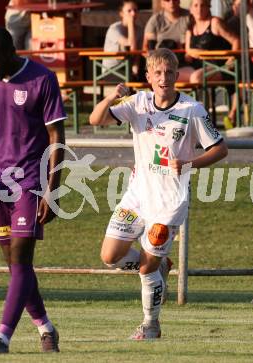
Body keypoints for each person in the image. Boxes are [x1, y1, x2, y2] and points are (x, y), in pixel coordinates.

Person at [89, 48, 228, 339]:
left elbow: (220, 149)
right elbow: (95, 119)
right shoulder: (137, 103)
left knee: (145, 269)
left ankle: (150, 325)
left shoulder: (192, 110)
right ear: (149, 77)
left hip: (170, 203)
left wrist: (189, 163)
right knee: (109, 256)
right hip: (138, 195)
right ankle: (161, 264)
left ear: (177, 76)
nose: (164, 78)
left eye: (169, 73)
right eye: (158, 73)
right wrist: (112, 97)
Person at [0, 26, 66, 354]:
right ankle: (46, 329)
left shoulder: (42, 79)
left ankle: (2, 337)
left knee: (21, 260)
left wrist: (52, 189)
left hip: (29, 184)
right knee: (13, 264)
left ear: (10, 53)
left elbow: (57, 137)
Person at [185, 0, 240, 127]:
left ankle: (203, 117)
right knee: (173, 75)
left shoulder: (215, 23)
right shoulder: (190, 28)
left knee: (196, 78)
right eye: (196, 5)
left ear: (209, 7)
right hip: (199, 65)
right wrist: (195, 52)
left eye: (203, 5)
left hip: (220, 66)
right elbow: (188, 50)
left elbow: (236, 40)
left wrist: (231, 59)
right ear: (191, 9)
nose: (199, 9)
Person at [143, 0, 190, 80]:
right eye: (167, 0)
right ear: (162, 3)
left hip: (183, 62)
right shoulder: (155, 20)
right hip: (159, 63)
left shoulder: (189, 17)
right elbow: (146, 48)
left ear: (179, 1)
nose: (171, 2)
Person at [103, 0, 144, 81]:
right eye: (129, 11)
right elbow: (131, 47)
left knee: (150, 76)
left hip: (129, 68)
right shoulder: (114, 29)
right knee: (129, 78)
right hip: (112, 70)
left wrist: (135, 68)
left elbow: (137, 53)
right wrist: (131, 24)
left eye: (135, 10)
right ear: (121, 13)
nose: (133, 13)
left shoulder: (139, 30)